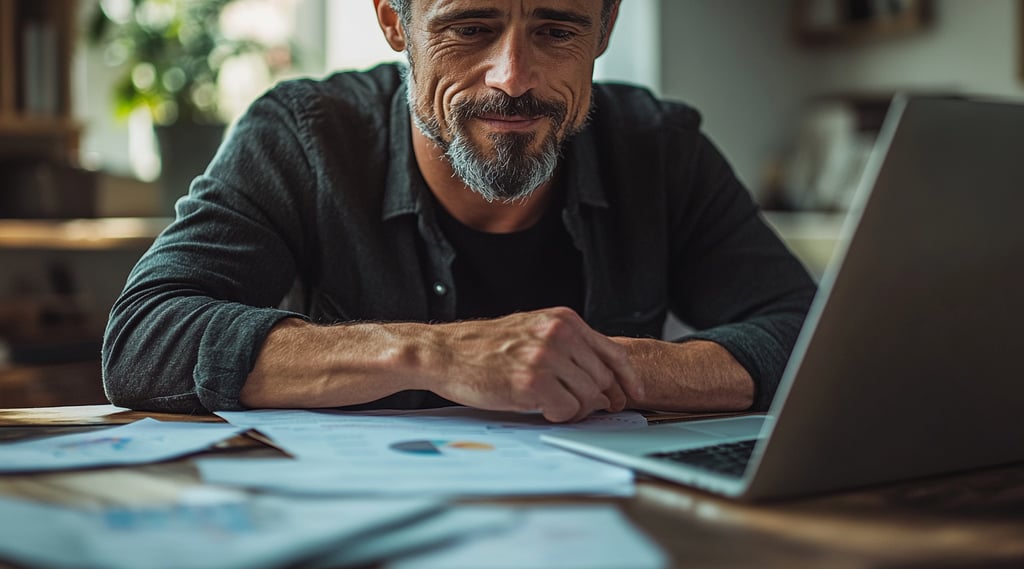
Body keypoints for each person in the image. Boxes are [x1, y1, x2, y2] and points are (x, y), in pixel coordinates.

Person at [102, 0, 816, 423]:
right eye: (470, 28)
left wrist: (611, 367)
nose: (514, 78)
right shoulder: (303, 137)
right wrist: (434, 354)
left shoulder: (660, 147)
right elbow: (145, 338)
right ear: (395, 22)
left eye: (557, 31)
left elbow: (810, 335)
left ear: (604, 29)